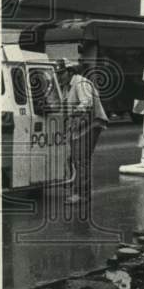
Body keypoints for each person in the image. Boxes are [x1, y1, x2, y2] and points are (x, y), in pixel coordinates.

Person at [56, 60, 108, 206]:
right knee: (75, 158)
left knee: (81, 159)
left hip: (91, 123)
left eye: (62, 74)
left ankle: (82, 195)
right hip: (80, 126)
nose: (59, 77)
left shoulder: (80, 83)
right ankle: (78, 189)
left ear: (70, 72)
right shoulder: (66, 87)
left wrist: (73, 112)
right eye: (58, 74)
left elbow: (87, 103)